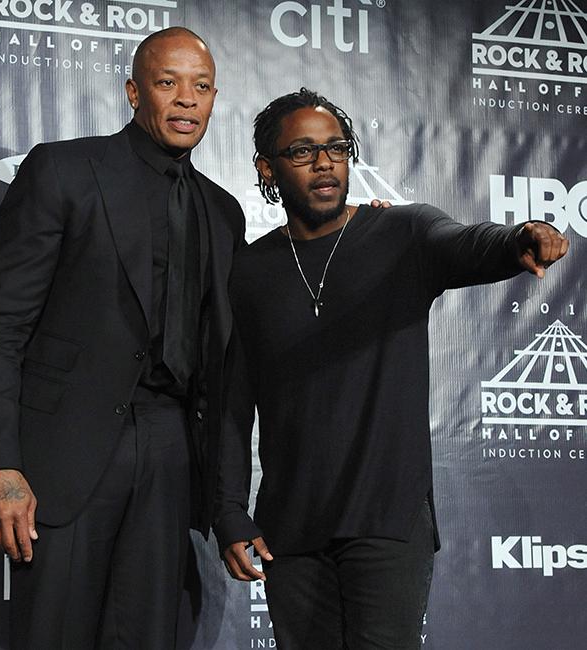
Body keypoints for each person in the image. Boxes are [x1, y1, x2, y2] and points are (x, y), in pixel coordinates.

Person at [213, 88, 569, 650]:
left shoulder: (402, 234)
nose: (324, 162)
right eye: (303, 151)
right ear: (267, 168)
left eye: (336, 147)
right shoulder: (250, 272)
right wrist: (230, 511)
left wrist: (518, 238)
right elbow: (232, 406)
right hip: (291, 531)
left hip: (388, 520)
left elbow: (465, 243)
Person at [0, 27, 246, 649]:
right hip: (64, 452)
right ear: (134, 92)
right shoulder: (64, 170)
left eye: (201, 86)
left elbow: (225, 370)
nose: (186, 99)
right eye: (168, 82)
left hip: (171, 454)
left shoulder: (223, 212)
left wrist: (227, 502)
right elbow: (0, 326)